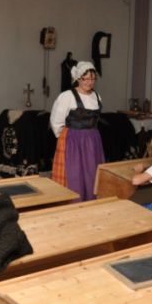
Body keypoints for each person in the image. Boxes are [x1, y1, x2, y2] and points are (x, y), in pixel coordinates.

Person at [50, 61, 105, 202]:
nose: (90, 82)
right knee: (74, 173)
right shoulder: (67, 96)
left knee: (91, 172)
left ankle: (91, 201)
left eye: (92, 79)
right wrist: (64, 138)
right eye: (86, 79)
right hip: (73, 140)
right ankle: (74, 203)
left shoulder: (96, 96)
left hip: (92, 140)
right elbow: (56, 121)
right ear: (78, 78)